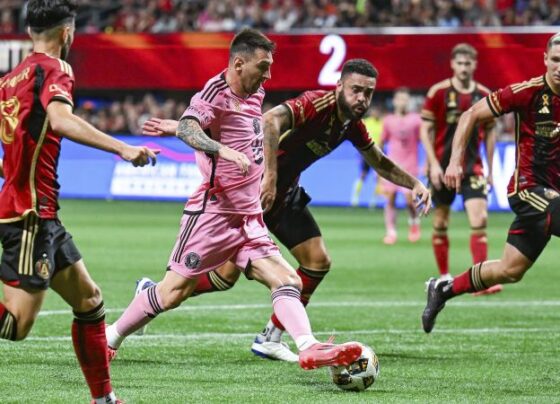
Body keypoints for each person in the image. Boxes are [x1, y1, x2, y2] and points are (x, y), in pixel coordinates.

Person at [105, 28, 363, 371]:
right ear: (238, 63)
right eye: (263, 66)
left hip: (249, 216)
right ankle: (109, 338)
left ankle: (308, 346)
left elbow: (216, 127)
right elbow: (189, 127)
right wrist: (219, 147)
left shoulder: (254, 93)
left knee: (288, 280)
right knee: (172, 293)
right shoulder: (216, 91)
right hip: (214, 213)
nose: (268, 74)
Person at [141, 58, 432, 362]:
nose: (362, 98)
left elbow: (380, 161)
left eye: (368, 93)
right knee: (223, 278)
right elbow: (269, 121)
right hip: (253, 191)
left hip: (285, 195)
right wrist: (270, 176)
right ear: (339, 87)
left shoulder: (350, 126)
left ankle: (271, 336)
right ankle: (152, 293)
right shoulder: (316, 103)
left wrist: (415, 184)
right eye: (356, 90)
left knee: (317, 261)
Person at [0, 1, 159, 403]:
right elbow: (61, 121)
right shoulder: (56, 69)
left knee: (90, 300)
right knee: (16, 326)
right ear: (67, 33)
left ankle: (103, 399)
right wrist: (122, 148)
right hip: (30, 214)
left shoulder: (9, 80)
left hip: (39, 212)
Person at [422, 32, 560, 333]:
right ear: (545, 61)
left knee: (510, 270)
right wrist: (456, 161)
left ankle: (443, 289)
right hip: (529, 188)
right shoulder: (528, 92)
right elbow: (471, 114)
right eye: (556, 60)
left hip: (553, 195)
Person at [420, 43, 502, 295]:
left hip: (472, 168)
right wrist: (433, 164)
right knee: (441, 220)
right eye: (460, 63)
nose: (464, 68)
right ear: (453, 64)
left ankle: (480, 280)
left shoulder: (484, 94)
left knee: (480, 220)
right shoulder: (438, 92)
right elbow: (426, 129)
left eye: (468, 63)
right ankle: (445, 276)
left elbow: (490, 133)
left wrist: (489, 167)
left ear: (474, 65)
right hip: (443, 169)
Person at [378, 88, 422, 244]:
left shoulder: (416, 120)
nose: (402, 102)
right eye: (400, 99)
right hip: (391, 165)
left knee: (410, 199)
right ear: (394, 101)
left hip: (410, 164)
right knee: (390, 198)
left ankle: (414, 223)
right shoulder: (388, 120)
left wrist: (428, 164)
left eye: (405, 99)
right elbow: (381, 143)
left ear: (408, 101)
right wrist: (379, 166)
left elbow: (424, 141)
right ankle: (391, 232)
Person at [350, 105, 383, 207]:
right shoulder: (366, 122)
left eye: (378, 111)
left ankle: (373, 201)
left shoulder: (382, 124)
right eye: (374, 111)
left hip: (378, 153)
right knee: (363, 175)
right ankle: (355, 198)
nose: (376, 113)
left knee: (378, 177)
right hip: (366, 153)